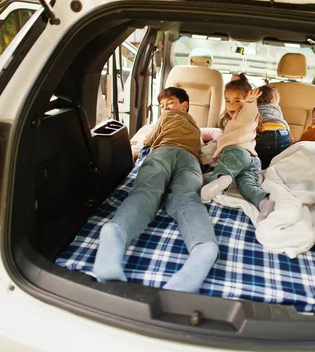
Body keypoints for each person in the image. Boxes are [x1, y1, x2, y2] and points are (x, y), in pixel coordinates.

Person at [93, 87, 218, 293]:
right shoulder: (196, 127)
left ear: (184, 105)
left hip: (162, 152)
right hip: (190, 159)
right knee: (187, 198)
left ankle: (116, 232)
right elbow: (212, 137)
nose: (165, 108)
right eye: (162, 106)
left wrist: (145, 143)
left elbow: (149, 139)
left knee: (145, 192)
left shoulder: (166, 118)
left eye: (169, 103)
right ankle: (204, 246)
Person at [200, 73, 275, 218]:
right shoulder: (235, 120)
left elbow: (249, 111)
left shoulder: (245, 116)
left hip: (237, 153)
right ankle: (264, 203)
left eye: (237, 100)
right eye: (227, 101)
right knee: (247, 185)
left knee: (225, 169)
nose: (231, 105)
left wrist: (250, 102)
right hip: (252, 160)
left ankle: (221, 179)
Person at [255, 83, 292, 169]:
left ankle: (262, 169)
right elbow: (281, 121)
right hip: (282, 134)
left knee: (262, 158)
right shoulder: (276, 107)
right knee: (282, 157)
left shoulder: (255, 108)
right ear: (272, 100)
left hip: (262, 135)